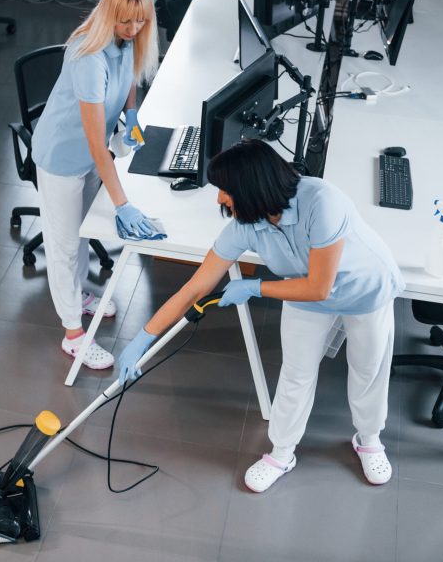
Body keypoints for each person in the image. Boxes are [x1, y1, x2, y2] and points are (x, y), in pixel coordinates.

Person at [116, 140, 405, 492]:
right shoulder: (246, 224)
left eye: (225, 190)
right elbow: (195, 288)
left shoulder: (322, 202)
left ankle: (369, 438)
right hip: (303, 290)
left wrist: (255, 288)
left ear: (253, 188)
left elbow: (319, 287)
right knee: (296, 373)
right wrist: (143, 339)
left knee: (368, 368)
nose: (219, 199)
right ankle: (282, 452)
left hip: (364, 289)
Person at [32, 0, 159, 371]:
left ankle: (81, 293)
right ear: (110, 13)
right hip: (63, 158)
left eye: (140, 21)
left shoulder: (130, 38)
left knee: (82, 232)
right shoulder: (89, 56)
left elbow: (131, 80)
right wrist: (122, 204)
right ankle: (72, 334)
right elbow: (94, 144)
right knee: (64, 245)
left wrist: (132, 115)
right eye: (126, 21)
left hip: (88, 156)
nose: (133, 28)